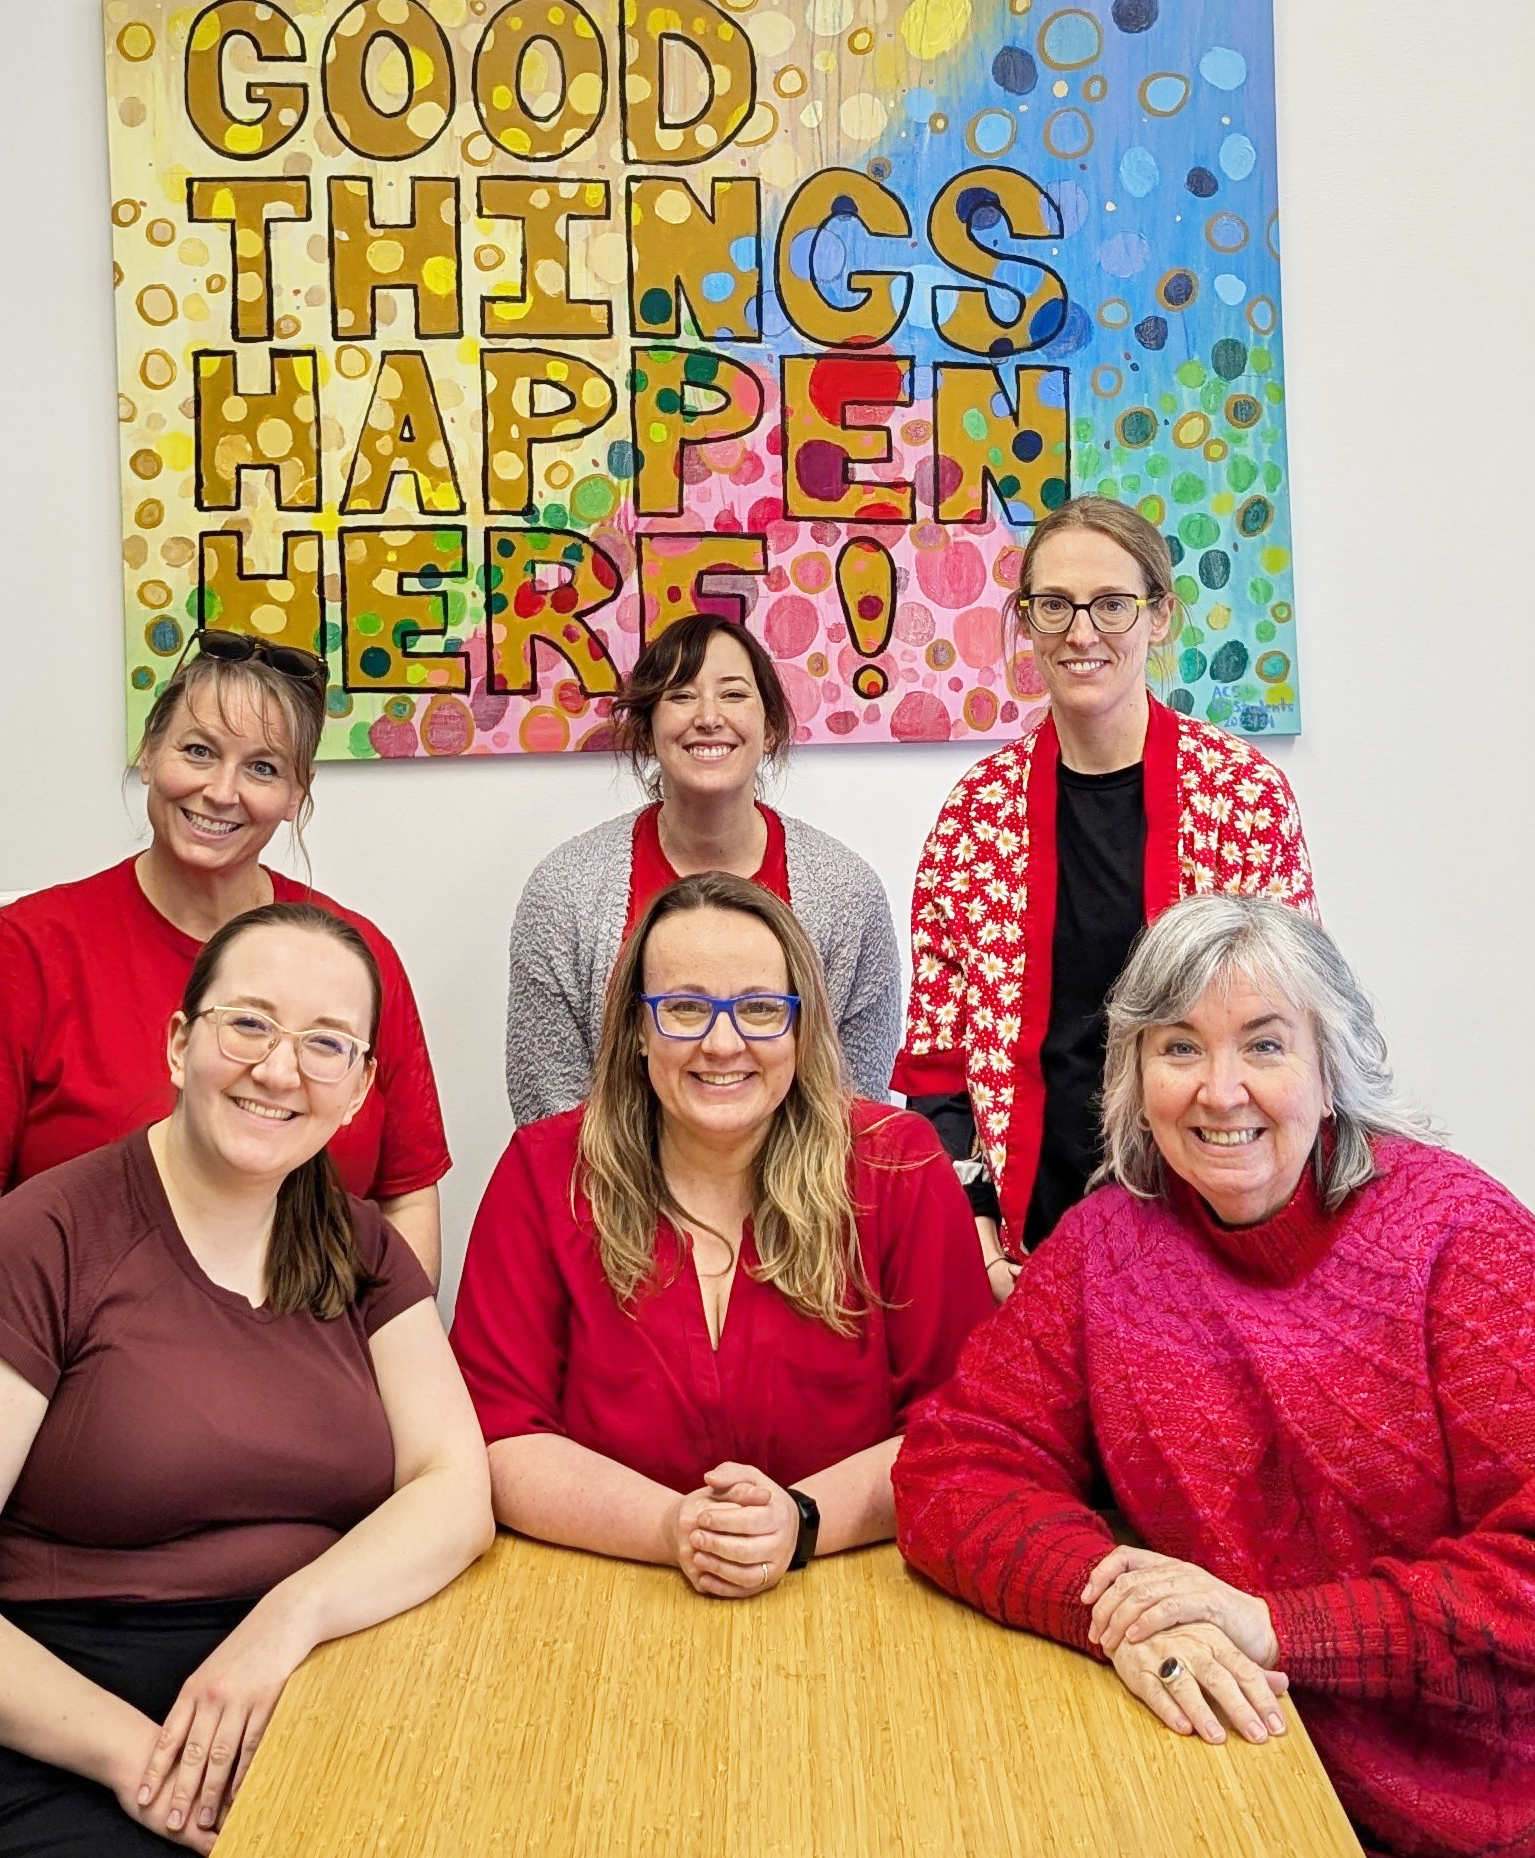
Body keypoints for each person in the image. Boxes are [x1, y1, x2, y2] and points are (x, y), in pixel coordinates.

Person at [893, 895, 1535, 1858]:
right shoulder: (1105, 1245)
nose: (1219, 1090)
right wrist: (1118, 1610)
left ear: (1331, 1069)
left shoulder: (1463, 1239)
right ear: (1134, 1075)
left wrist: (1275, 1628)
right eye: (1179, 1047)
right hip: (1225, 1762)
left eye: (1264, 1046)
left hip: (1467, 1806)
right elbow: (953, 1469)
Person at [0, 902, 492, 1855]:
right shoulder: (35, 1248)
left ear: (363, 1084)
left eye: (326, 1044)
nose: (280, 1069)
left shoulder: (359, 1245)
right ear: (178, 1043)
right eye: (248, 1023)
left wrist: (288, 1620)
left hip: (291, 1681)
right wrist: (144, 1762)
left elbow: (455, 1487)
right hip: (47, 1716)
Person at [0, 631, 451, 1387]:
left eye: (263, 769)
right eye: (198, 751)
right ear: (148, 754)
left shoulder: (353, 960)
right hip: (75, 1367)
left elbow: (404, 1193)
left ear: (296, 796)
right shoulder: (31, 947)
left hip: (308, 1369)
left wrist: (374, 1375)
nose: (221, 792)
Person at [458, 872, 989, 1595]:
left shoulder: (898, 1167)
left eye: (761, 1009)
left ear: (801, 1030)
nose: (721, 1042)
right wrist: (675, 1529)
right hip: (594, 1591)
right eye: (682, 1008)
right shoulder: (544, 1173)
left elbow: (965, 1426)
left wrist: (800, 1521)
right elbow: (498, 1434)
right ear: (637, 1031)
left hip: (858, 1594)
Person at [892, 496, 1316, 1297]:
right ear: (1025, 622)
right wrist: (978, 1245)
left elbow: (1285, 1036)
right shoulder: (974, 816)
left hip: (1213, 1240)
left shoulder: (1242, 796)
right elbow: (937, 1066)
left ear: (1158, 617)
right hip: (1026, 1250)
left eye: (1111, 605)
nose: (1081, 633)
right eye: (1052, 606)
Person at [505, 613, 900, 1125]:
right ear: (646, 731)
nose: (709, 716)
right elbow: (548, 1113)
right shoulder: (564, 893)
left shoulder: (849, 893)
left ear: (771, 725)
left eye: (733, 695)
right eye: (681, 695)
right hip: (611, 1196)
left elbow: (856, 1108)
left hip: (800, 1198)